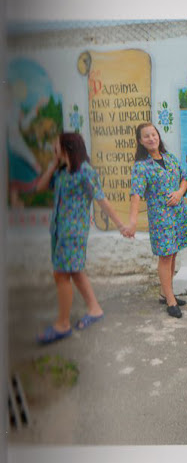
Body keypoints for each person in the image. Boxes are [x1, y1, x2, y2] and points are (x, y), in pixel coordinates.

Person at [35, 132, 126, 344]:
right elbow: (40, 188)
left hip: (73, 233)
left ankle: (62, 324)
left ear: (67, 146)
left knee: (61, 274)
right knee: (74, 271)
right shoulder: (61, 172)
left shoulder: (85, 171)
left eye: (56, 145)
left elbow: (101, 200)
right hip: (59, 231)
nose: (53, 147)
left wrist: (121, 225)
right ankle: (95, 309)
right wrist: (53, 164)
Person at [123, 123, 187, 318]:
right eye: (146, 136)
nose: (151, 138)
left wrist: (179, 193)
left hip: (178, 214)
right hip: (161, 219)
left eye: (153, 134)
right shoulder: (141, 167)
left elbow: (184, 179)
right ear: (140, 141)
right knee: (165, 256)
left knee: (173, 253)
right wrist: (132, 221)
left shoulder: (169, 158)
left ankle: (166, 293)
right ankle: (170, 301)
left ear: (158, 136)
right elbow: (136, 194)